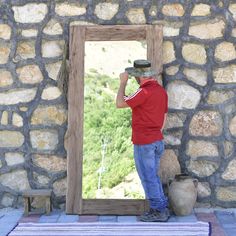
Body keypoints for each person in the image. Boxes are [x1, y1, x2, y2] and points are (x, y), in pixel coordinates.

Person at [116, 59, 169, 222]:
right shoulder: (161, 91)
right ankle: (162, 208)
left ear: (138, 76)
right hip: (157, 140)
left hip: (144, 142)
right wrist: (155, 133)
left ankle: (158, 211)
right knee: (153, 175)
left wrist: (122, 83)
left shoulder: (143, 91)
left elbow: (119, 103)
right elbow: (164, 117)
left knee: (148, 177)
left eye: (133, 76)